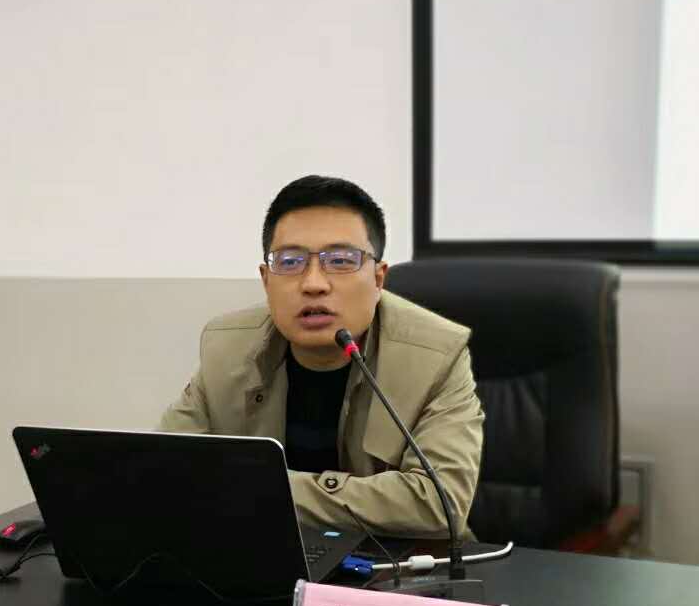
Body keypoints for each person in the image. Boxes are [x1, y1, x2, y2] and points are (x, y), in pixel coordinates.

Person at [158, 175, 484, 537]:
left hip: (403, 561)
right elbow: (166, 471)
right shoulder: (226, 348)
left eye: (340, 260)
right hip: (266, 555)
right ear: (266, 280)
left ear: (378, 279)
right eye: (290, 261)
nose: (313, 283)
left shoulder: (437, 356)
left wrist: (264, 488)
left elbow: (439, 503)